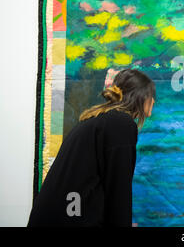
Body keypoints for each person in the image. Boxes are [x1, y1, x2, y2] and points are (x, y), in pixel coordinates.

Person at [28, 69, 156, 227]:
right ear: (141, 97)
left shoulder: (99, 119)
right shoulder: (121, 124)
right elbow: (118, 193)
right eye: (152, 95)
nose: (154, 101)